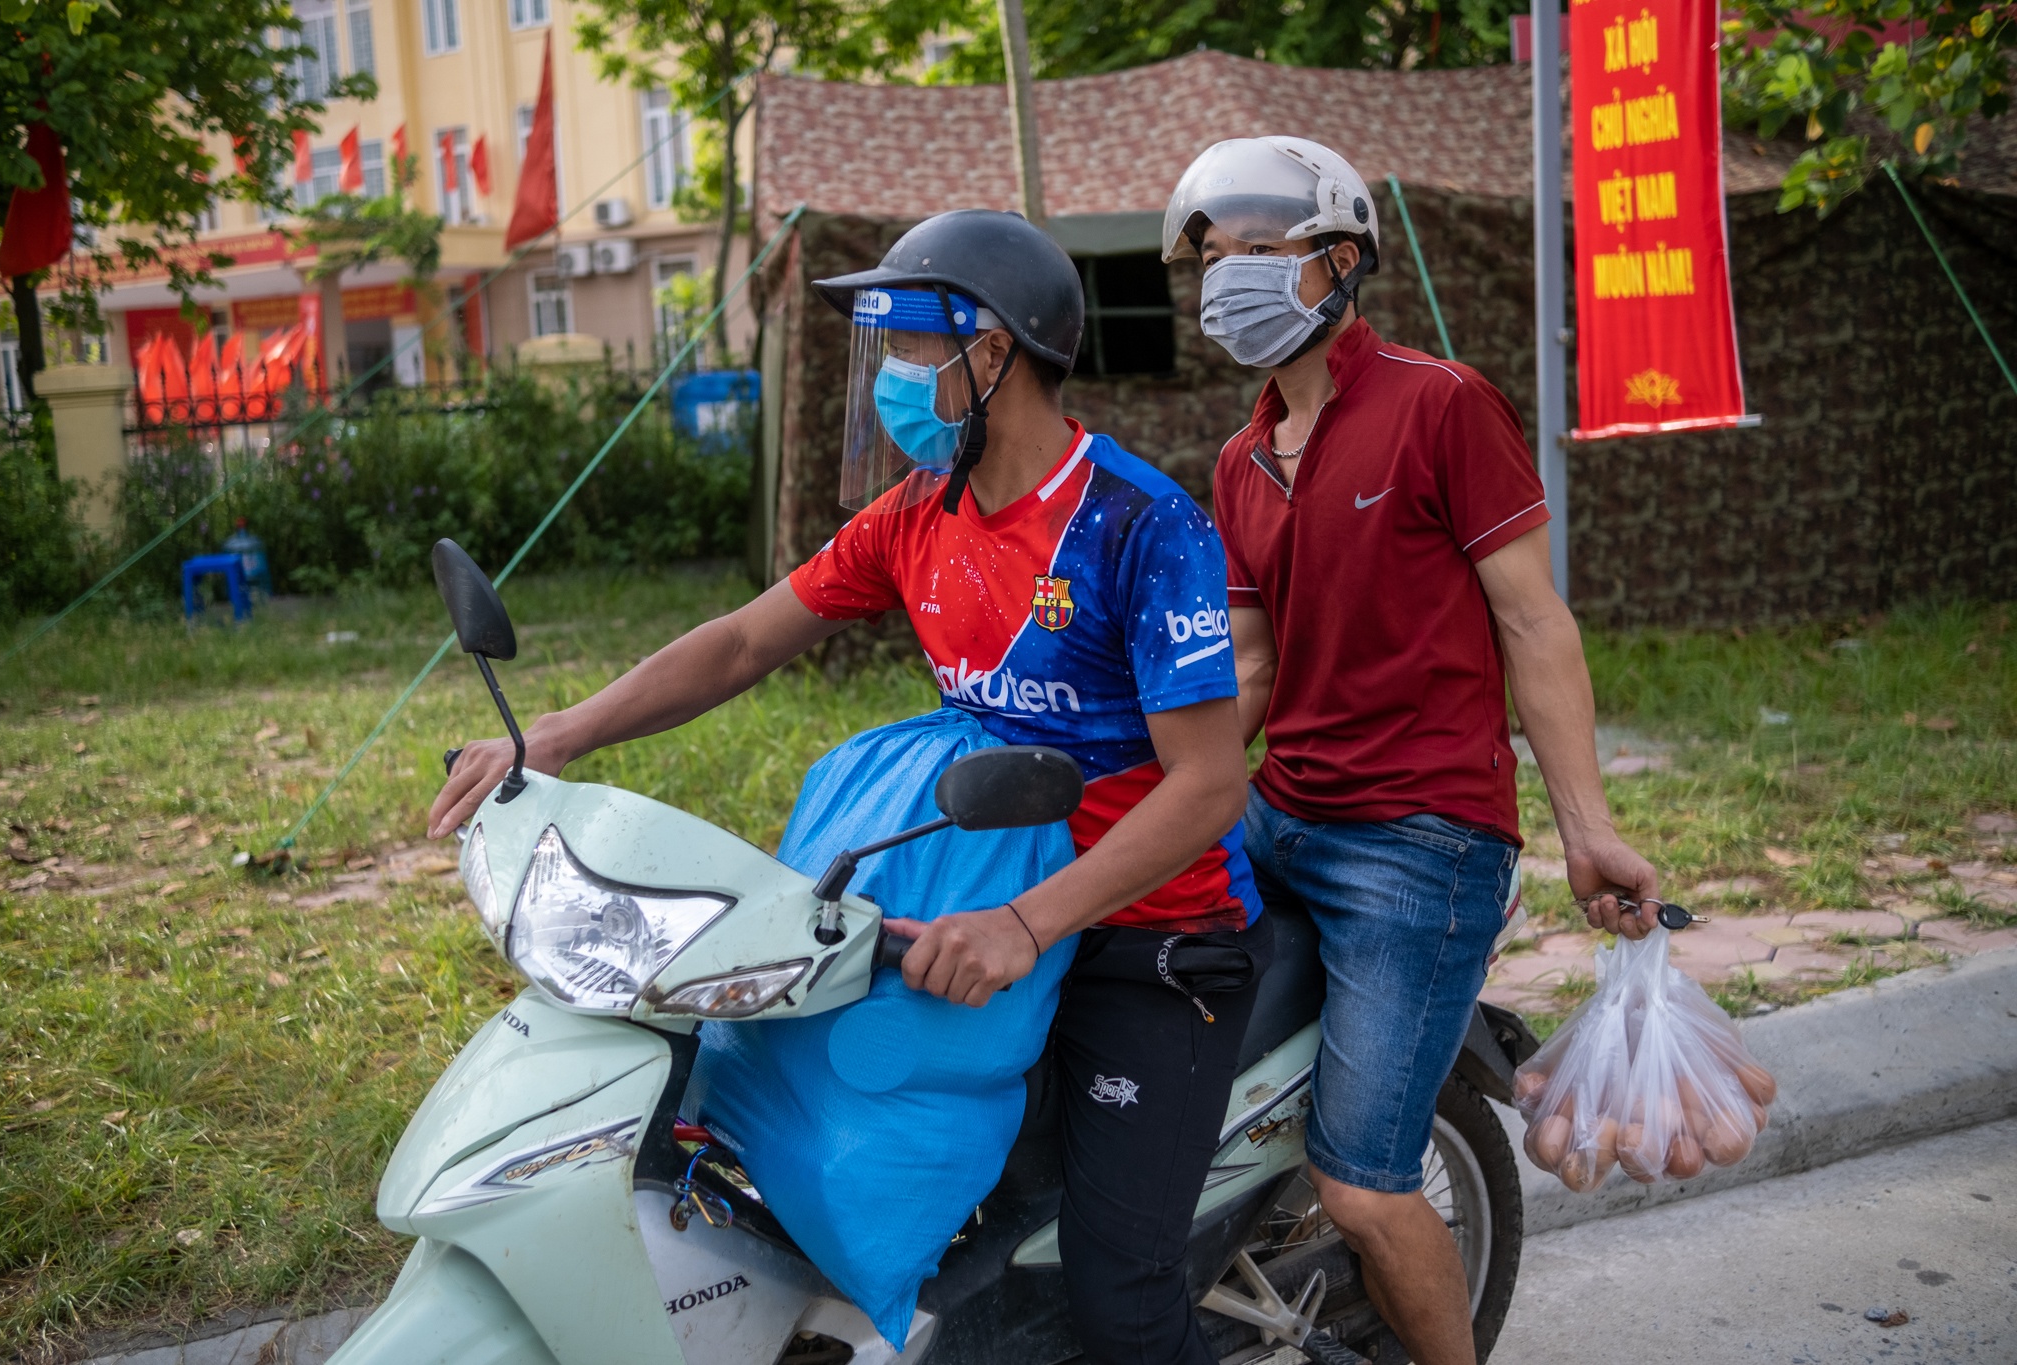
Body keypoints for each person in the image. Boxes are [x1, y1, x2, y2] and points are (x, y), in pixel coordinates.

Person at [428, 209, 1272, 1365]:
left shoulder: (1138, 527)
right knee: (788, 1139)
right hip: (965, 899)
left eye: (913, 349)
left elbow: (1210, 786)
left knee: (1116, 1287)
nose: (892, 379)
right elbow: (736, 645)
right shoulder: (917, 516)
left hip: (1144, 938)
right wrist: (556, 739)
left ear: (990, 352)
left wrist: (1026, 924)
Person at [1162, 137, 1663, 1365]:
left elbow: (1532, 621)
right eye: (1211, 259)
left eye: (1257, 253)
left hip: (1418, 846)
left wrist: (1586, 830)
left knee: (1367, 1189)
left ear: (1337, 262)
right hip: (1281, 815)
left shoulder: (1439, 405)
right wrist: (1156, 807)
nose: (1226, 279)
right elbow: (1251, 665)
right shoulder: (1238, 461)